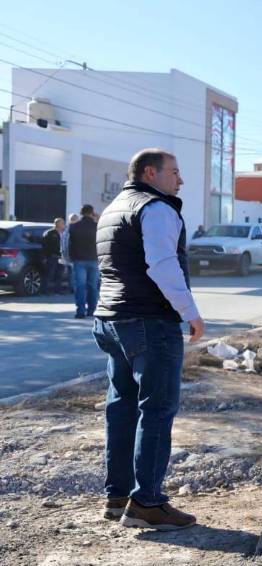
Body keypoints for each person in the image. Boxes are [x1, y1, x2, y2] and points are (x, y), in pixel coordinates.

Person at [92, 148, 206, 531]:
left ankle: (118, 497)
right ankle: (147, 503)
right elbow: (162, 265)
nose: (180, 180)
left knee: (121, 408)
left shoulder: (112, 210)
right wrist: (190, 313)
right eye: (174, 172)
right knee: (157, 409)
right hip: (149, 321)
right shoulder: (155, 209)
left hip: (112, 320)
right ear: (150, 173)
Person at [68, 205, 100, 318]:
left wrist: (71, 257)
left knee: (80, 286)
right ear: (92, 212)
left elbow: (69, 243)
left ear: (81, 213)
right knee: (93, 286)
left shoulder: (74, 226)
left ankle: (80, 311)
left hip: (79, 259)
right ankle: (92, 310)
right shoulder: (97, 226)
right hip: (94, 259)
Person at [41, 218, 67, 295]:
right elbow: (44, 246)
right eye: (63, 223)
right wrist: (45, 256)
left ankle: (57, 290)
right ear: (58, 224)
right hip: (52, 256)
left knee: (59, 274)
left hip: (62, 257)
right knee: (49, 274)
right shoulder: (49, 233)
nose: (64, 225)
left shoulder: (64, 233)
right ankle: (45, 290)